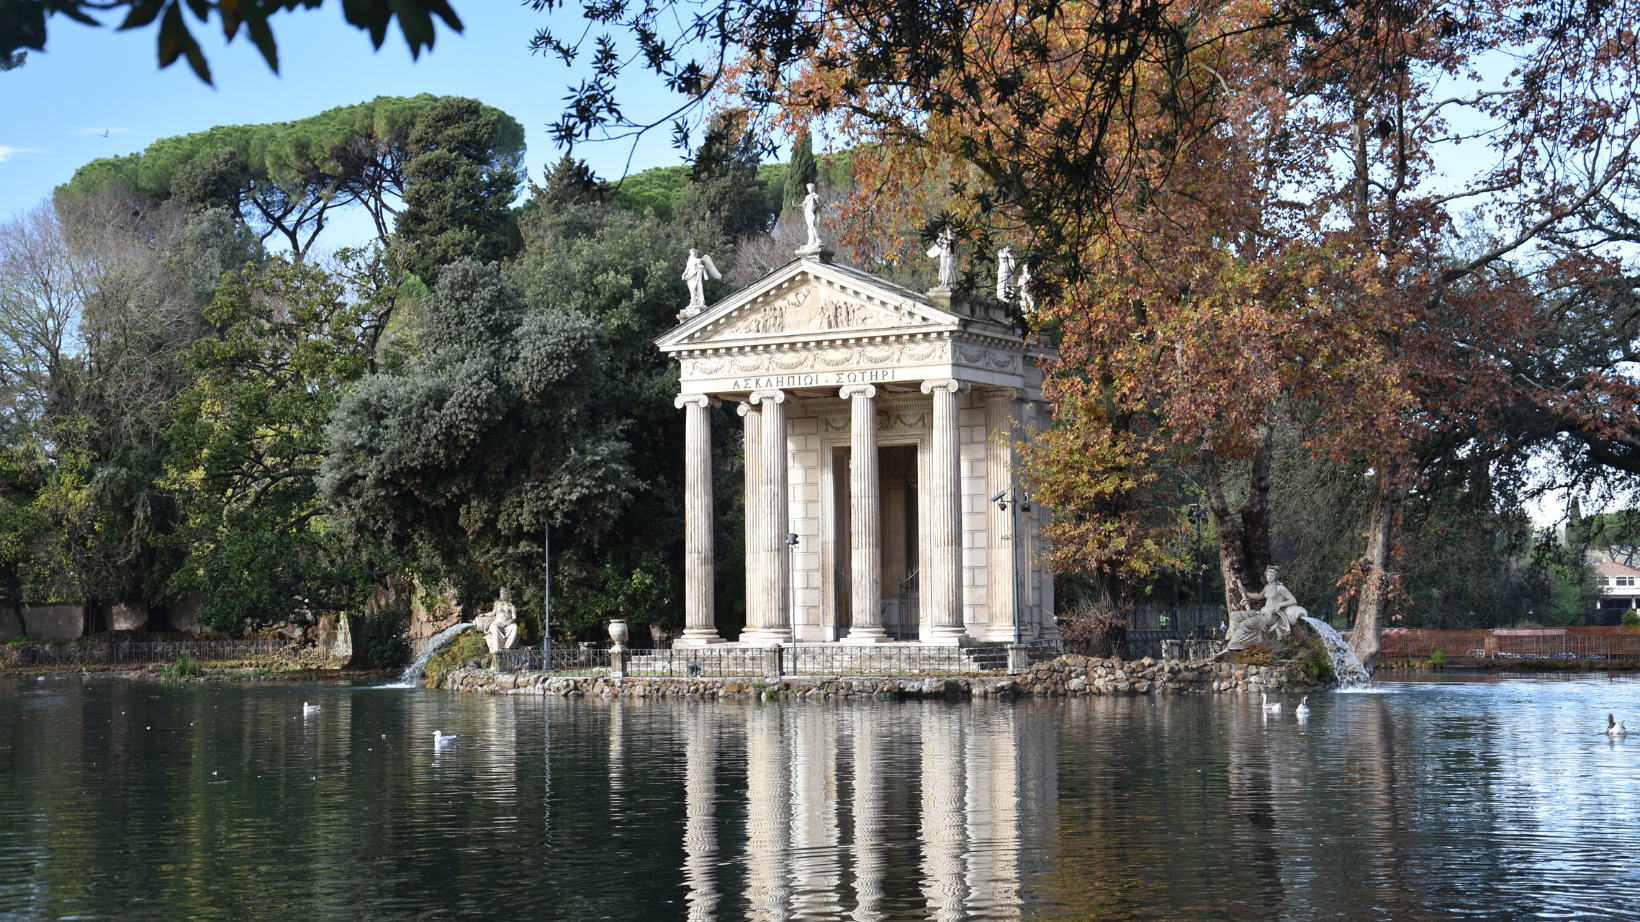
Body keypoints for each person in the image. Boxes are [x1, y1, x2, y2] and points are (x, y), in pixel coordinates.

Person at [476, 588, 519, 655]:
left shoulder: (511, 605)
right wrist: (484, 614)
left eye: (504, 593)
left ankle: (508, 648)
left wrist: (511, 621)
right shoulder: (497, 603)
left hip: (508, 625)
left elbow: (515, 617)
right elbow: (493, 613)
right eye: (501, 593)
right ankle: (497, 651)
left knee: (515, 627)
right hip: (497, 623)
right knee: (495, 630)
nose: (502, 595)